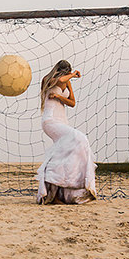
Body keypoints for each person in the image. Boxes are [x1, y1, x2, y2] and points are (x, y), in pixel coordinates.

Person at [36, 60, 97, 204]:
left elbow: (72, 102)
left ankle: (61, 192)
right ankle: (50, 186)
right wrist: (73, 74)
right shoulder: (48, 79)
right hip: (50, 121)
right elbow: (60, 80)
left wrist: (59, 97)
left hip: (62, 121)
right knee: (78, 137)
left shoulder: (66, 82)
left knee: (72, 148)